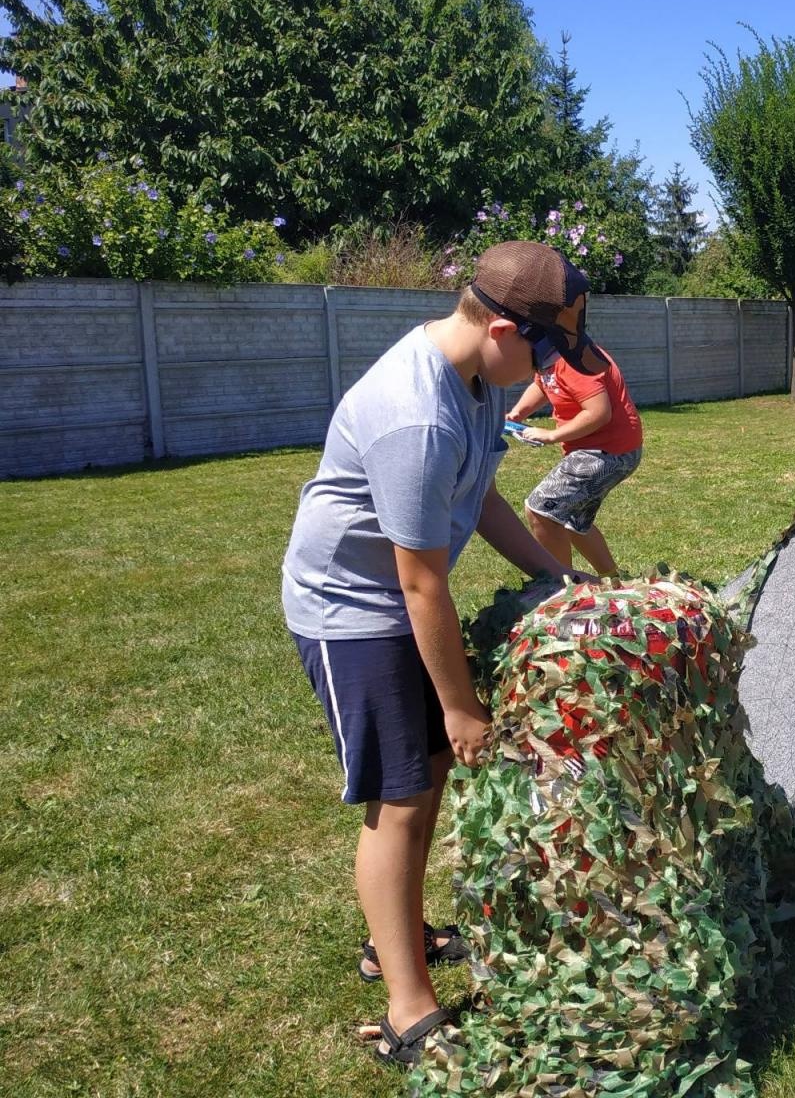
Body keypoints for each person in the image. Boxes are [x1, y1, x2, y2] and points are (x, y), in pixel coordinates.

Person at [281, 239, 602, 1068]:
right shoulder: (417, 413)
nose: (553, 371)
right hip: (351, 611)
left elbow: (482, 494)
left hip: (400, 600)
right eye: (548, 352)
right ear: (502, 329)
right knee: (399, 798)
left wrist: (553, 574)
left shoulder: (476, 383)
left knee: (425, 779)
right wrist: (461, 708)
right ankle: (407, 1009)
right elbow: (421, 584)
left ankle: (397, 939)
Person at [505, 264, 643, 579]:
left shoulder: (576, 359)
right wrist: (517, 414)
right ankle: (613, 580)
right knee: (573, 521)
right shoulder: (551, 356)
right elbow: (544, 384)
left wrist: (551, 435)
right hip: (608, 450)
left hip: (607, 452)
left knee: (541, 510)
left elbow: (598, 413)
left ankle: (562, 587)